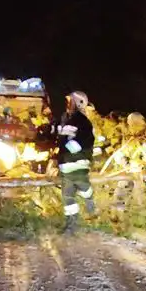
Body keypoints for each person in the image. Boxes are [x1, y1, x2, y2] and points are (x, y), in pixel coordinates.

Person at [56, 90, 96, 233]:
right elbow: (60, 139)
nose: (67, 103)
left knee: (83, 187)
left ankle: (91, 205)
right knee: (68, 198)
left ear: (77, 103)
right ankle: (71, 225)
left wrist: (69, 150)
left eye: (70, 101)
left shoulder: (82, 121)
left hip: (77, 163)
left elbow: (86, 140)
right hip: (66, 165)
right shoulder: (66, 118)